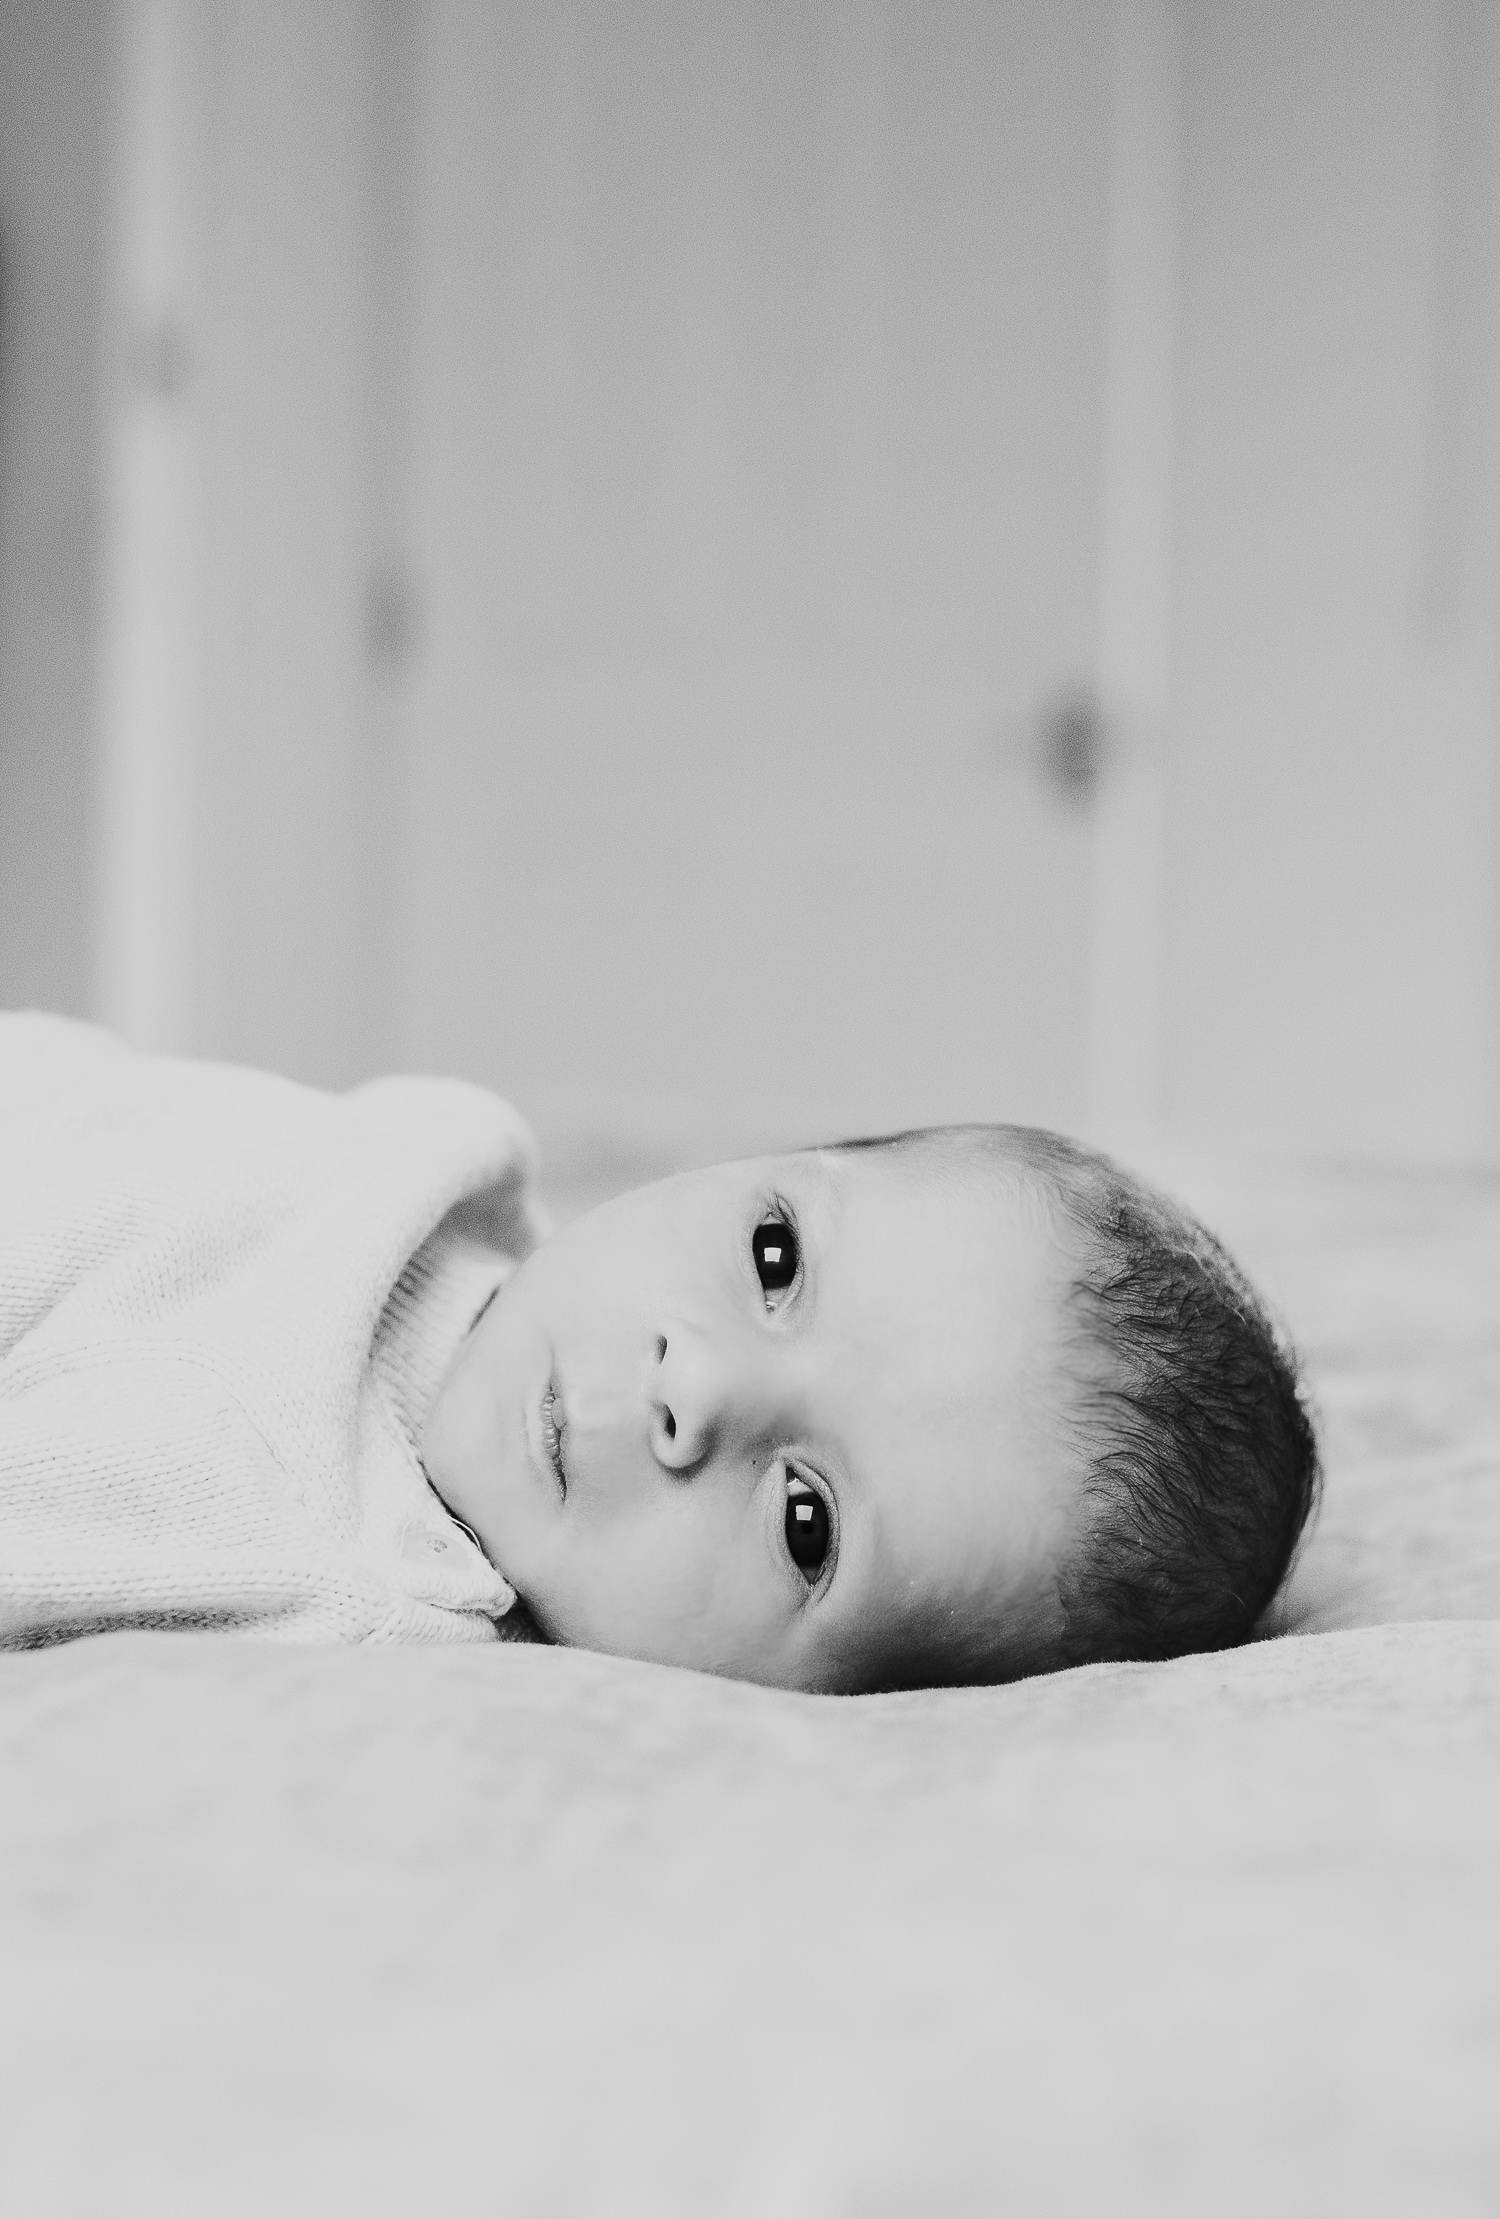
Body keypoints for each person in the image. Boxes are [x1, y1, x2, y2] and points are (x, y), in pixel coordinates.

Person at [0, 1012, 1318, 1687]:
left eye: (808, 1523)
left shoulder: (334, 1575)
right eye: (774, 1259)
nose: (698, 1387)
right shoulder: (435, 1161)